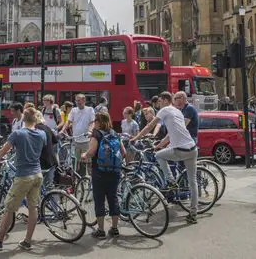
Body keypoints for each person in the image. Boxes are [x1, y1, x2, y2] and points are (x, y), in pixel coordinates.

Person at [0, 107, 47, 251]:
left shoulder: (18, 134)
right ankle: (27, 241)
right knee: (33, 208)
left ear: (23, 119)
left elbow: (4, 150)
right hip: (37, 174)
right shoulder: (42, 134)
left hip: (23, 176)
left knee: (9, 209)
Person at [133, 92, 198, 224]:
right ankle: (193, 213)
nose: (158, 104)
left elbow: (149, 125)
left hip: (180, 149)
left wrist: (135, 138)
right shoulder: (178, 112)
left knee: (158, 156)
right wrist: (159, 145)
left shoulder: (164, 110)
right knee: (192, 182)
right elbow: (170, 135)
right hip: (192, 148)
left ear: (164, 100)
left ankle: (171, 180)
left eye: (160, 101)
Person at [82, 111, 125, 238]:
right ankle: (114, 228)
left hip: (99, 171)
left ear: (98, 122)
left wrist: (84, 155)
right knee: (113, 198)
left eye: (95, 121)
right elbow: (123, 152)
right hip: (114, 171)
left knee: (99, 199)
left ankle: (101, 230)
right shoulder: (115, 133)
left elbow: (91, 151)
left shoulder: (97, 134)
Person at [65, 93, 95, 176]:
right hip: (76, 139)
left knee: (87, 161)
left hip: (86, 140)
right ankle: (80, 180)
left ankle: (89, 180)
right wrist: (63, 130)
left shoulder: (90, 110)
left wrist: (90, 131)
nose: (77, 102)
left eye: (79, 101)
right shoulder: (74, 110)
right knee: (77, 162)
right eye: (76, 100)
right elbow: (68, 121)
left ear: (84, 100)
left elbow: (92, 122)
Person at [34, 110, 58, 188]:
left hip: (41, 163)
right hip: (51, 161)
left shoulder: (34, 129)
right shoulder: (47, 128)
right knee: (48, 187)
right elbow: (55, 141)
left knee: (36, 187)